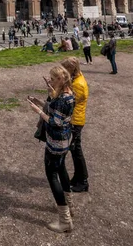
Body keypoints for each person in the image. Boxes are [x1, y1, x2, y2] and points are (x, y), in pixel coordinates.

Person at [28, 66, 75, 233]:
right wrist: (44, 99)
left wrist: (38, 110)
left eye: (53, 79)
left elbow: (55, 121)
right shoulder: (68, 94)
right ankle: (69, 206)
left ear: (62, 80)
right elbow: (56, 110)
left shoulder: (63, 99)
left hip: (56, 142)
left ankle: (65, 220)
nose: (51, 81)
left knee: (52, 175)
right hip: (64, 140)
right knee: (61, 170)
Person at [61, 57, 89, 193]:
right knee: (75, 151)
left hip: (75, 121)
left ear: (72, 68)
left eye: (65, 69)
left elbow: (70, 102)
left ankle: (83, 181)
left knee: (76, 151)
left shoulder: (78, 84)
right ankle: (78, 178)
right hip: (77, 119)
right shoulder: (78, 77)